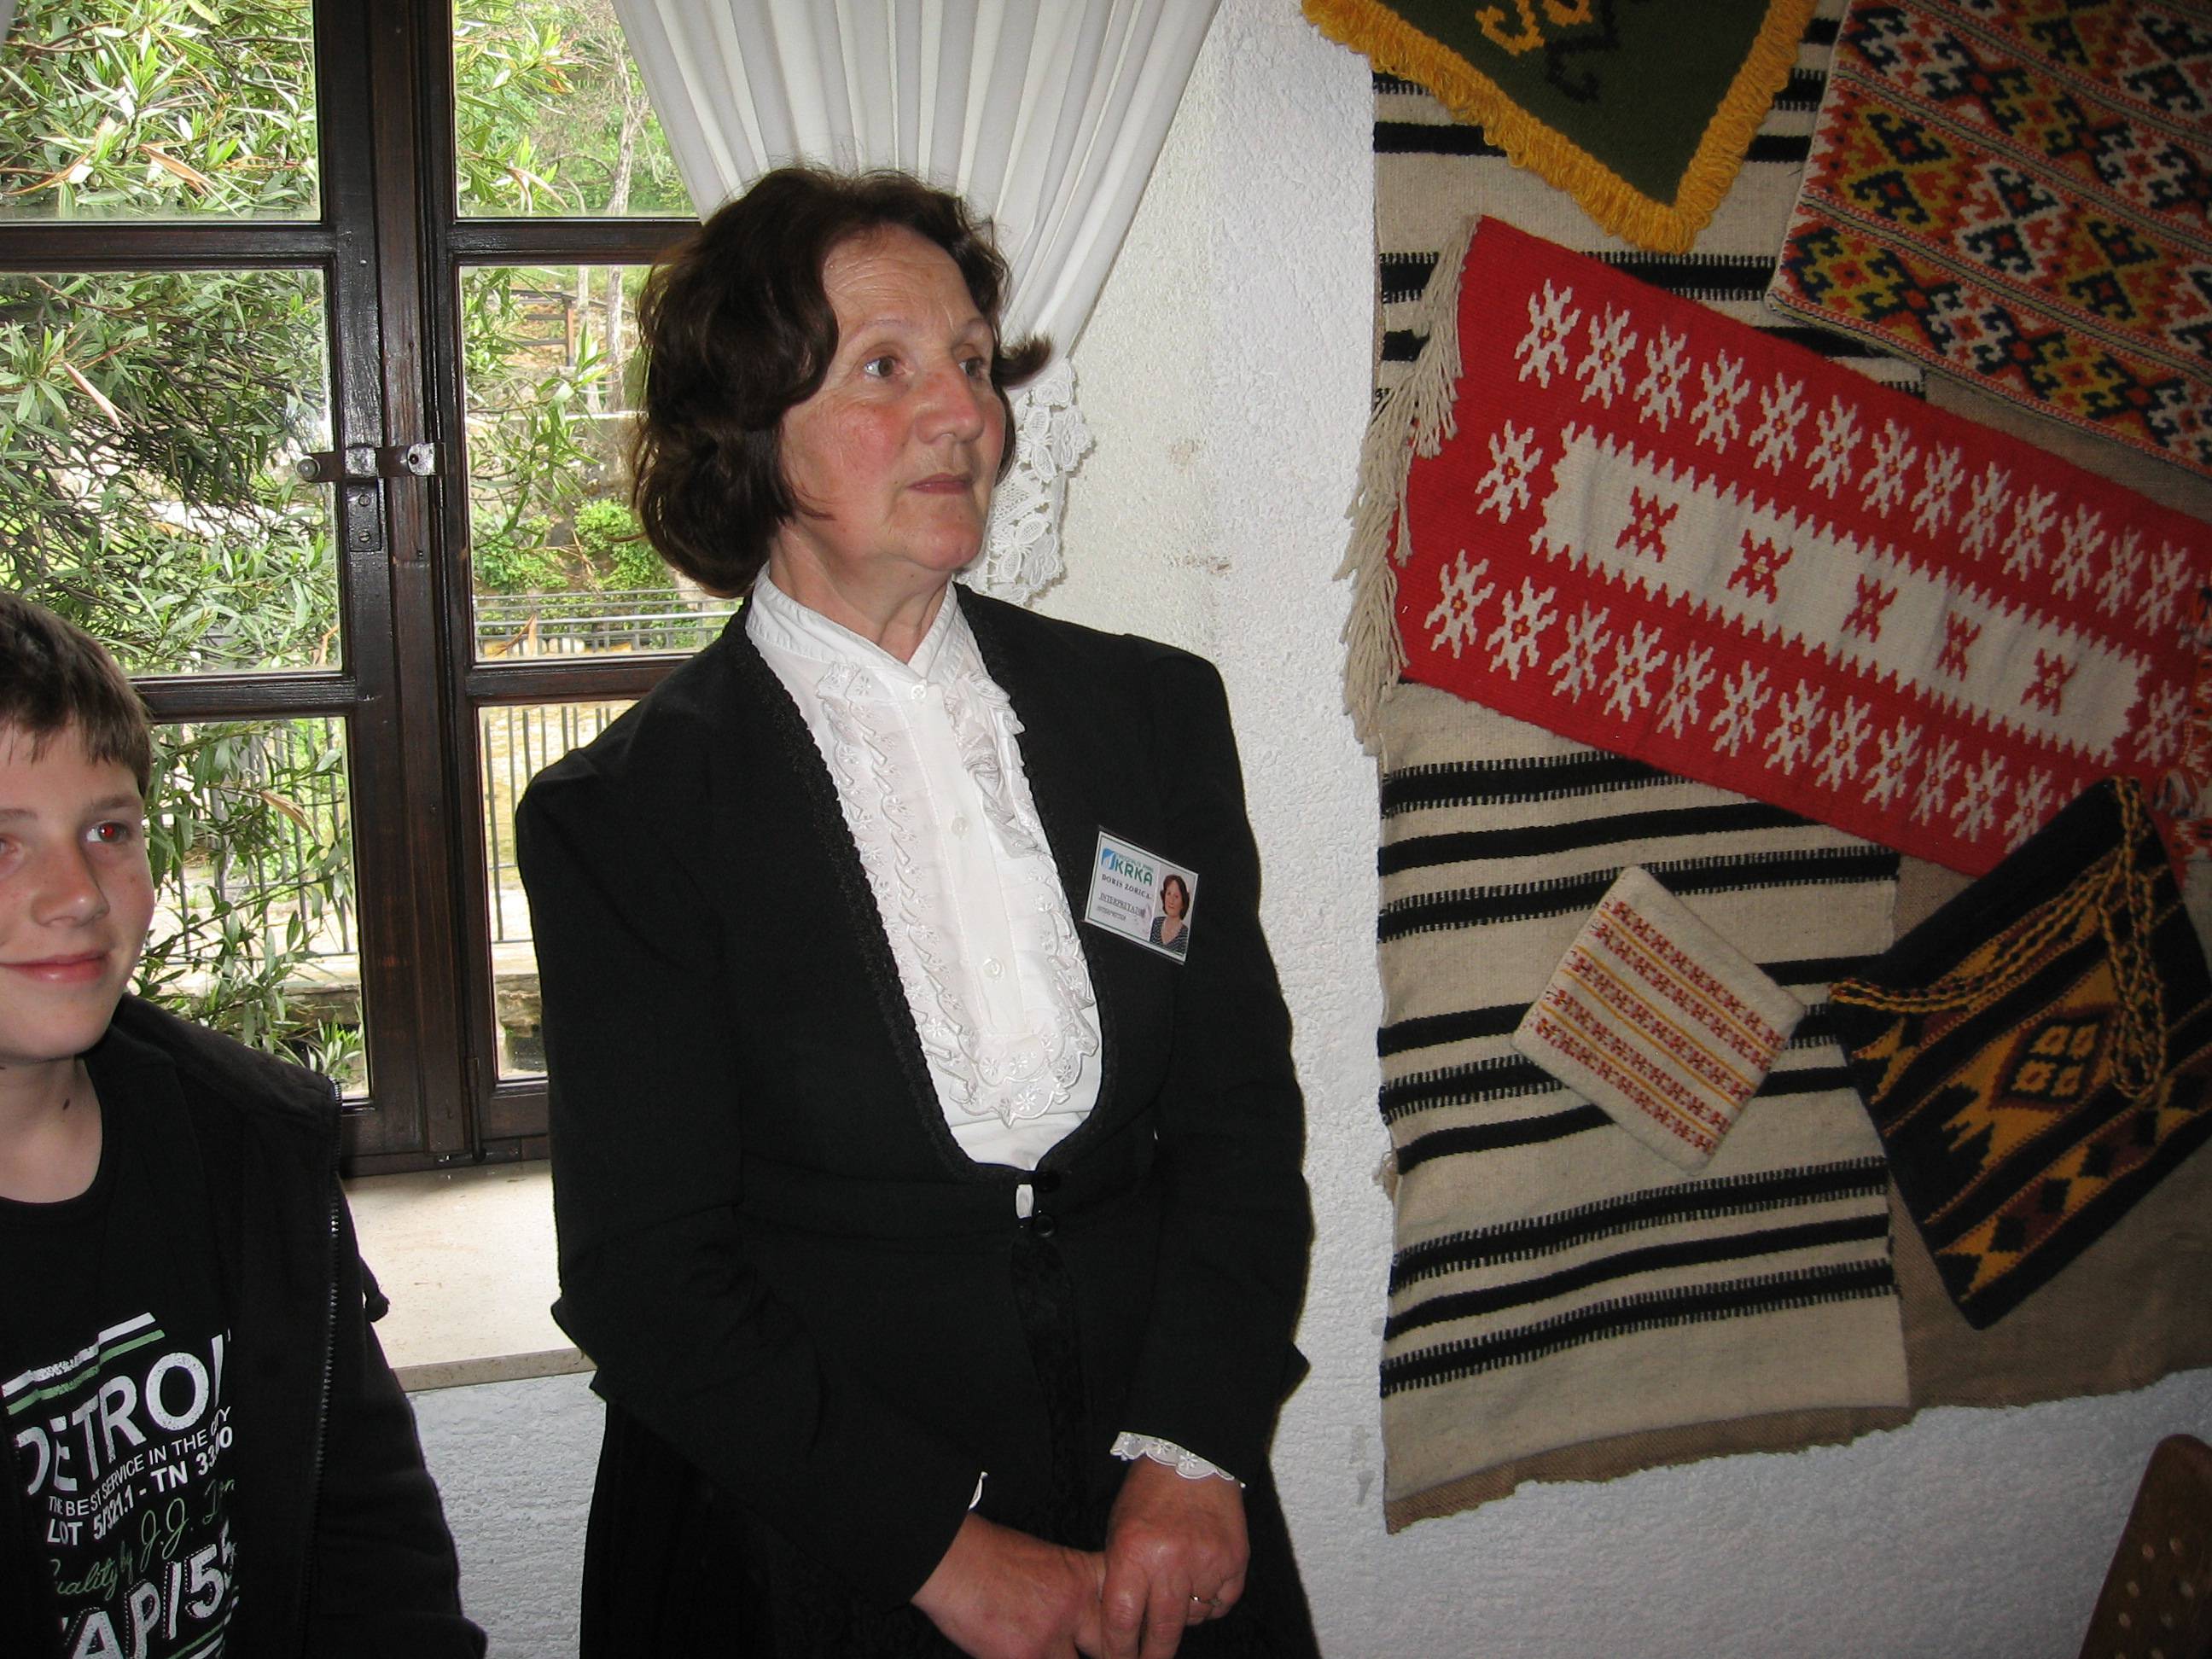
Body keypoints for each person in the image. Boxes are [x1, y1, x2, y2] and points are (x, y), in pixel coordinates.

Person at [517, 166, 1317, 1658]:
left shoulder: (1149, 716)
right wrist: (941, 1554)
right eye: (886, 368)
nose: (965, 413)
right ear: (748, 426)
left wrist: (1197, 1446)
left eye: (970, 360)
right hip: (813, 1546)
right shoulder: (626, 817)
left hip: (1159, 1521)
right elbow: (647, 1274)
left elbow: (1238, 1121)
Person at [0, 594, 484, 1658]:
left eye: (108, 832)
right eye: (2, 845)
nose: (76, 894)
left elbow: (372, 1537)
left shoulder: (251, 1147)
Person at [1150, 875, 1192, 958]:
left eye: (1176, 896)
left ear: (1183, 903)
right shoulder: (1156, 923)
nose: (1171, 900)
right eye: (1168, 894)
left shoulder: (1185, 935)